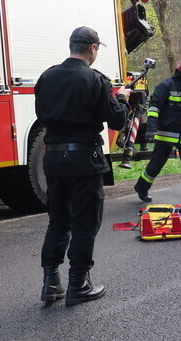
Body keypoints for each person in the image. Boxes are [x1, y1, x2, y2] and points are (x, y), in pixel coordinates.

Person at [35, 26, 130, 306]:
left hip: (53, 160)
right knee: (85, 222)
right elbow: (117, 120)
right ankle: (79, 283)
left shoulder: (46, 77)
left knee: (58, 220)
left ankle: (51, 282)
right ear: (93, 48)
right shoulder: (96, 80)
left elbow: (41, 114)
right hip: (84, 161)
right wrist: (121, 98)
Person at [133, 54, 181, 204]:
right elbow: (154, 108)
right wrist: (151, 129)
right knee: (156, 165)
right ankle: (141, 187)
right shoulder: (166, 86)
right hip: (166, 134)